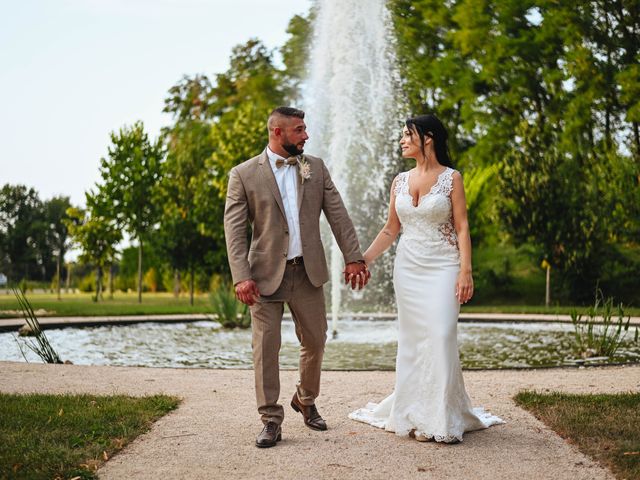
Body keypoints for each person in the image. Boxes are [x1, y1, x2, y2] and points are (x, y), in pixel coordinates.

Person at [348, 114, 503, 443]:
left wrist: (466, 270)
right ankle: (415, 413)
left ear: (428, 138)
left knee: (442, 334)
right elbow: (391, 229)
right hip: (408, 268)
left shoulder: (452, 178)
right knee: (414, 341)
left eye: (407, 134)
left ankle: (441, 417)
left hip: (444, 265)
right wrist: (361, 259)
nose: (402, 140)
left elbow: (462, 227)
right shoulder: (399, 181)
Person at [224, 106, 369, 448]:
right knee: (266, 349)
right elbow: (234, 230)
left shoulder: (314, 167)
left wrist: (354, 257)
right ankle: (271, 419)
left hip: (308, 271)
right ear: (278, 132)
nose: (306, 135)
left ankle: (305, 398)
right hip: (262, 277)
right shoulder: (243, 174)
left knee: (316, 341)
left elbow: (338, 214)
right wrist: (240, 276)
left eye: (305, 129)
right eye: (300, 130)